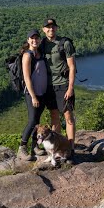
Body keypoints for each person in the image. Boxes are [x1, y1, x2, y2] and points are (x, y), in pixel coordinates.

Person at [41, 18, 77, 162]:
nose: (51, 29)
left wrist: (70, 88)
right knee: (54, 117)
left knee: (68, 117)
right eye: (48, 27)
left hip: (63, 84)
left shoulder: (65, 43)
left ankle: (71, 147)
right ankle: (54, 150)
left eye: (53, 27)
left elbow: (72, 67)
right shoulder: (42, 44)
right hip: (49, 86)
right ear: (44, 29)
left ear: (56, 28)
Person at [17, 29, 55, 161]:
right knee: (32, 121)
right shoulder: (27, 55)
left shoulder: (40, 53)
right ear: (28, 40)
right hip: (32, 94)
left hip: (42, 93)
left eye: (37, 38)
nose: (35, 40)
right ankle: (22, 148)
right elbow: (27, 78)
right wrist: (33, 96)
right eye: (32, 38)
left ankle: (35, 147)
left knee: (37, 121)